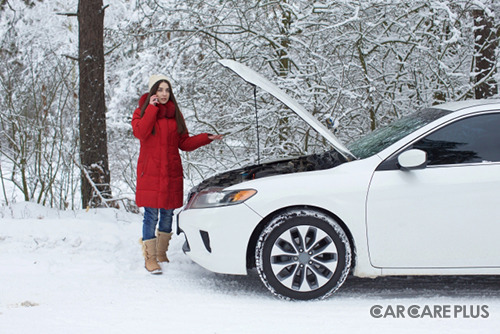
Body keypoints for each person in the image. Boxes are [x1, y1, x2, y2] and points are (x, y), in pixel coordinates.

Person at [132, 74, 223, 274]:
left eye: (167, 90)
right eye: (160, 89)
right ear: (153, 92)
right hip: (151, 172)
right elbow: (141, 133)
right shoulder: (142, 112)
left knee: (167, 213)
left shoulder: (175, 114)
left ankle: (161, 252)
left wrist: (205, 138)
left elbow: (184, 143)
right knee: (151, 214)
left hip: (171, 171)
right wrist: (152, 109)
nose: (164, 93)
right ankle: (150, 258)